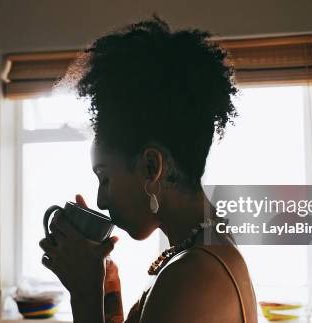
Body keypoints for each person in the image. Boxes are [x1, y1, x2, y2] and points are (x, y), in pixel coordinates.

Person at [39, 16, 258, 323]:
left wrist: (85, 292)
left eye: (105, 177)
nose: (101, 200)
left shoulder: (192, 277)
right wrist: (104, 287)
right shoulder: (202, 251)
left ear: (151, 167)